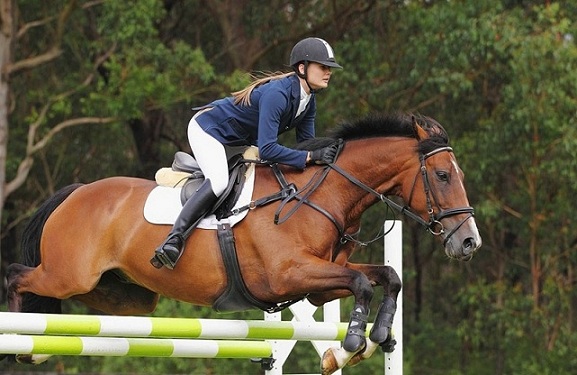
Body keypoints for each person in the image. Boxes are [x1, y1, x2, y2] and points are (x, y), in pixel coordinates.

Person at [150, 37, 343, 270]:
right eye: (323, 67)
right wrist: (311, 157)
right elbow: (269, 149)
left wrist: (335, 150)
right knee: (220, 182)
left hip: (239, 142)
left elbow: (306, 145)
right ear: (302, 68)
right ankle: (174, 239)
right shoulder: (277, 95)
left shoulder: (308, 100)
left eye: (329, 68)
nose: (328, 72)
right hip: (209, 130)